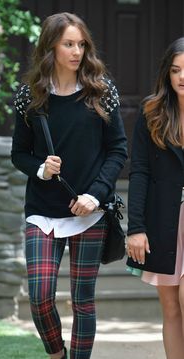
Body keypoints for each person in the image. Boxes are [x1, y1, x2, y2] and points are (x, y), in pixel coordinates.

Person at [11, 12, 127, 359]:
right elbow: (19, 154)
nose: (77, 51)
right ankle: (56, 354)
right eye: (68, 44)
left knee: (82, 300)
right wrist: (42, 170)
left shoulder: (101, 91)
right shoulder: (30, 96)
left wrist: (96, 194)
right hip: (43, 212)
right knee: (39, 295)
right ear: (51, 47)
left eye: (81, 44)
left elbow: (118, 149)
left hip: (88, 213)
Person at [126, 37, 184, 359]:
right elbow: (140, 172)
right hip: (164, 220)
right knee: (171, 308)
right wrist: (136, 227)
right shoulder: (153, 113)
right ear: (167, 73)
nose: (182, 77)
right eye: (175, 70)